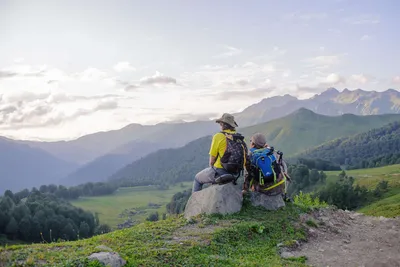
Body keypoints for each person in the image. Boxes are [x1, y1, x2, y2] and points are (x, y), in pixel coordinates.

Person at [192, 113, 248, 192]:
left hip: (220, 171)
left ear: (222, 124)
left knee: (197, 178)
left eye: (220, 123)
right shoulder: (240, 139)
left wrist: (212, 171)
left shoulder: (218, 136)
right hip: (235, 174)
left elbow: (212, 161)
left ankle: (194, 202)